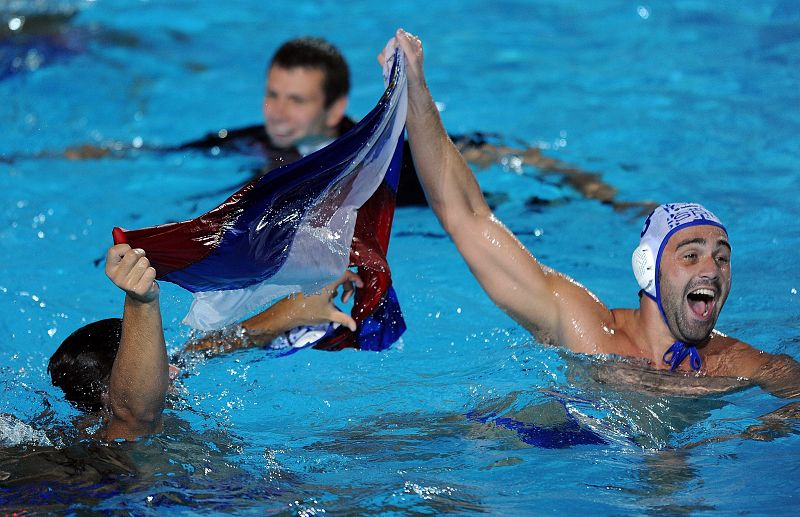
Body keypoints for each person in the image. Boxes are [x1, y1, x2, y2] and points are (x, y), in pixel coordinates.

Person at [384, 29, 800, 397]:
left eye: (722, 257)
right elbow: (468, 218)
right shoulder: (588, 331)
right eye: (690, 254)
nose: (711, 268)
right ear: (647, 268)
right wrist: (417, 93)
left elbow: (791, 383)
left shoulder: (730, 363)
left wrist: (763, 429)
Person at [48, 244, 362, 441]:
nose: (172, 369)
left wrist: (298, 304)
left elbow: (203, 349)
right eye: (157, 365)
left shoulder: (154, 388)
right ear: (109, 392)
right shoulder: (114, 439)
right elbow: (135, 413)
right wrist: (141, 302)